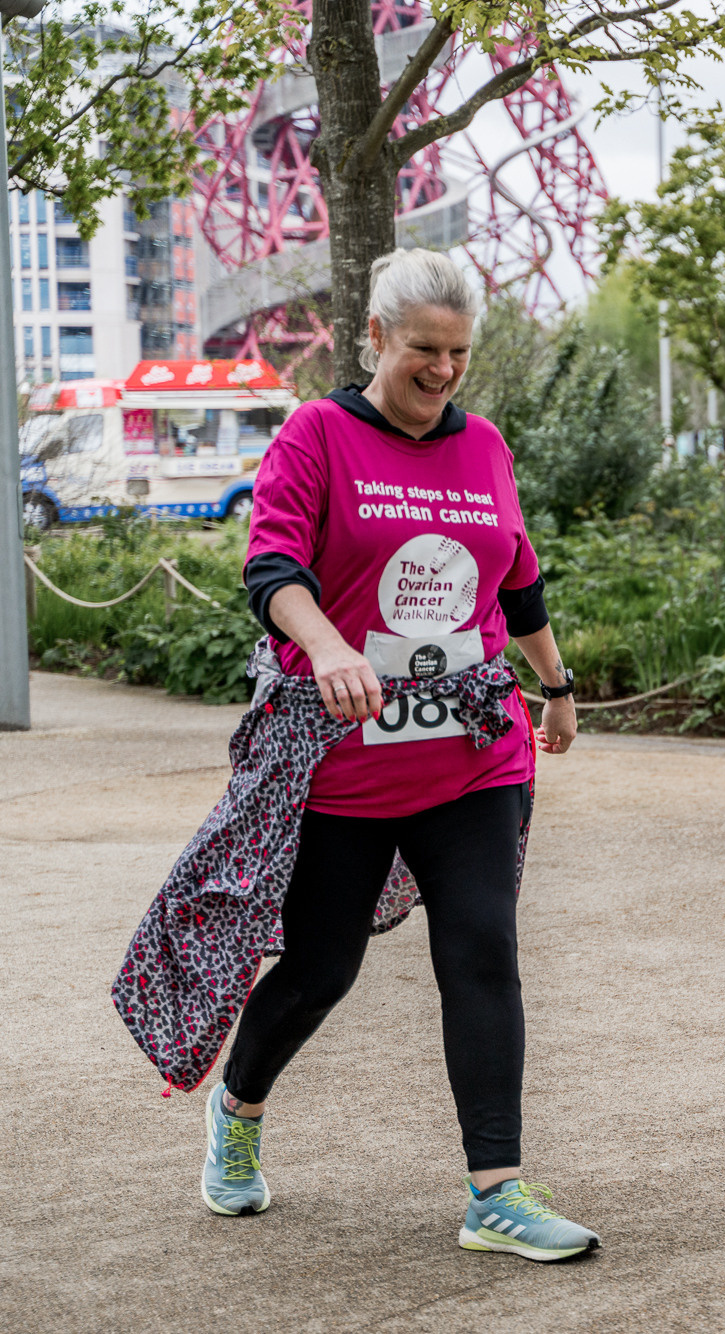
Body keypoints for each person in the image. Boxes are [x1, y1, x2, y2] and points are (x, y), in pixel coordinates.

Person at [112, 249, 599, 1260]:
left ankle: (495, 1190)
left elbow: (517, 580)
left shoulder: (486, 449)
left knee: (481, 948)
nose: (443, 369)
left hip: (473, 751)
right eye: (423, 348)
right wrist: (326, 644)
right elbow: (272, 563)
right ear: (374, 337)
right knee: (319, 968)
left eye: (459, 352)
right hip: (344, 762)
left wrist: (553, 686)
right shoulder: (318, 434)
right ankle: (239, 1110)